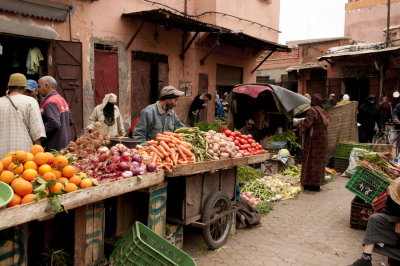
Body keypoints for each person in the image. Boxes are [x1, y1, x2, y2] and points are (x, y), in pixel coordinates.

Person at [351, 178, 400, 266]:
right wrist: (397, 219)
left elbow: (398, 230)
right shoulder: (393, 199)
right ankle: (365, 260)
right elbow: (389, 213)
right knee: (375, 219)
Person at [0, 73, 46, 158]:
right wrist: (38, 156)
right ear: (25, 88)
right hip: (23, 155)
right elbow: (37, 132)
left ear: (8, 87)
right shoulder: (30, 102)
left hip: (2, 155)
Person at [297, 94, 329, 191]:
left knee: (310, 160)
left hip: (313, 141)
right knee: (319, 162)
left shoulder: (312, 111)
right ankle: (316, 185)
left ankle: (309, 184)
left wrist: (300, 122)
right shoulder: (322, 111)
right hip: (322, 141)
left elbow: (307, 123)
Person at [38, 76, 73, 151]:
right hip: (64, 143)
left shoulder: (50, 102)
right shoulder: (61, 99)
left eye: (39, 86)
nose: (37, 90)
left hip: (54, 146)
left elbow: (54, 123)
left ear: (47, 86)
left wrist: (39, 131)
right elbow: (70, 121)